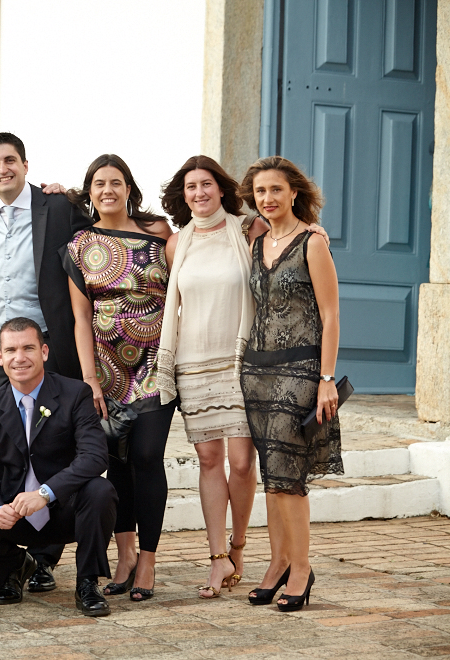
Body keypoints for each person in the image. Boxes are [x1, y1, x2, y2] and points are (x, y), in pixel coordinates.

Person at [157, 156, 329, 598]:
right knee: (209, 461)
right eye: (191, 186)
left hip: (243, 361)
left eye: (206, 184)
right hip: (193, 362)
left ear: (222, 188)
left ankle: (239, 547)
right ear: (183, 194)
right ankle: (218, 558)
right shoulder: (176, 244)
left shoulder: (247, 228)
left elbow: (285, 237)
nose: (199, 192)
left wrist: (316, 229)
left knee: (241, 462)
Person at [0, 132, 90, 592]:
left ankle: (45, 556)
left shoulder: (56, 207)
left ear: (26, 164)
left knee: (49, 443)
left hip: (45, 341)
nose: (3, 169)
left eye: (10, 160)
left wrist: (69, 193)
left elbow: (101, 227)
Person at [0, 317, 116, 617]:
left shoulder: (75, 393)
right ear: (0, 357)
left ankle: (88, 583)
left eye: (28, 348)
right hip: (14, 514)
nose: (20, 357)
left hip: (63, 509)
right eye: (11, 350)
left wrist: (45, 493)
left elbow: (94, 456)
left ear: (44, 352)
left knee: (100, 491)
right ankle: (14, 567)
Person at [63, 154, 174, 601]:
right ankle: (125, 556)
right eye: (99, 183)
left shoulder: (159, 232)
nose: (107, 190)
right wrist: (89, 379)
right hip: (107, 370)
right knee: (118, 463)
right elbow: (80, 317)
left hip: (155, 364)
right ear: (89, 192)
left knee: (146, 456)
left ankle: (148, 559)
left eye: (116, 182)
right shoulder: (79, 245)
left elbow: (208, 241)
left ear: (129, 188)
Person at [238, 156, 342, 611]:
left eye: (276, 189)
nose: (268, 198)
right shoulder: (255, 240)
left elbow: (330, 314)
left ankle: (301, 568)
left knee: (288, 477)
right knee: (272, 476)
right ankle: (278, 561)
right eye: (260, 191)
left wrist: (326, 379)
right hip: (256, 371)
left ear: (294, 192)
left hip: (300, 370)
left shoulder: (312, 242)